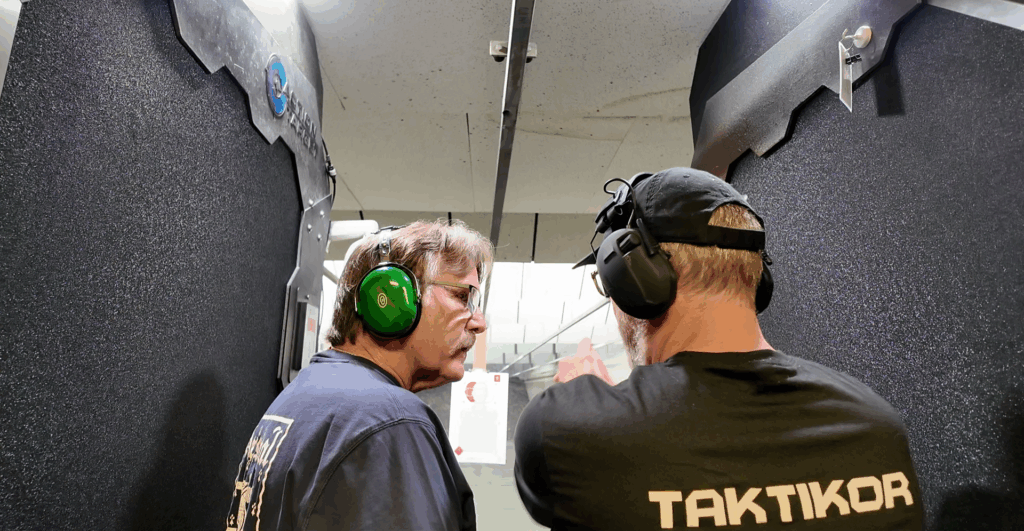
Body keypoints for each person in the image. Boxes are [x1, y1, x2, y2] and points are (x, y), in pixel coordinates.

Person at [513, 167, 925, 530]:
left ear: (636, 281)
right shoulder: (876, 426)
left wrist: (584, 396)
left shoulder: (565, 431)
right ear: (758, 280)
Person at [226, 220, 492, 531]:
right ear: (391, 298)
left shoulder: (301, 395)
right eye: (462, 296)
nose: (479, 323)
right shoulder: (391, 421)